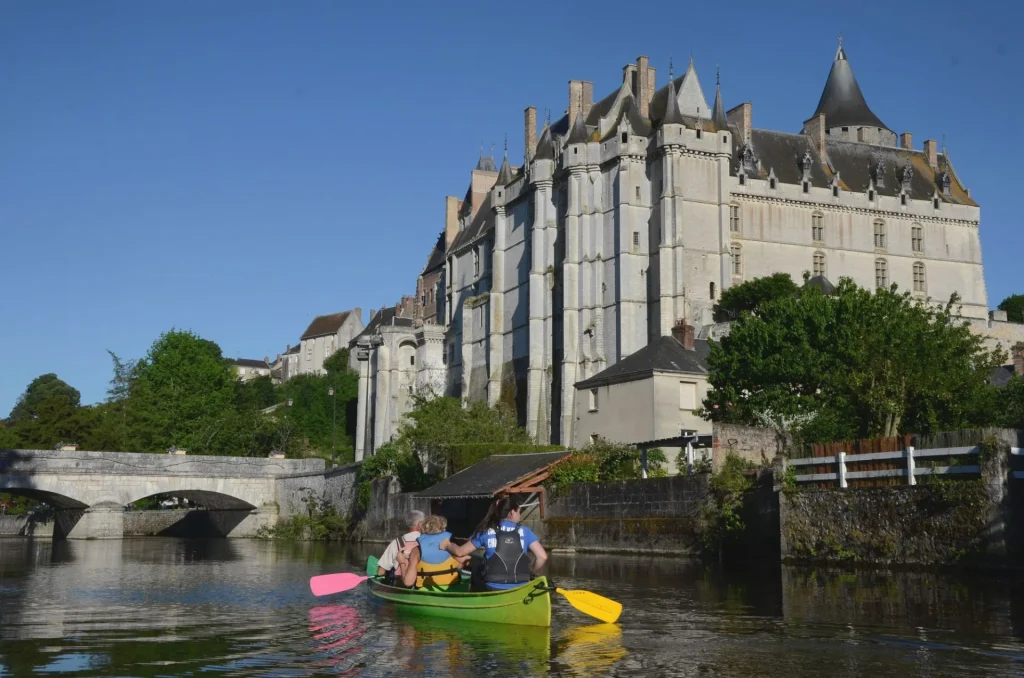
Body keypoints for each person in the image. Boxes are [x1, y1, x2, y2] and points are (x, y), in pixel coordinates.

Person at [447, 495, 547, 590]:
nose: (519, 516)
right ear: (512, 513)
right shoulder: (525, 531)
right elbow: (542, 557)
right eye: (519, 512)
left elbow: (459, 552)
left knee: (476, 566)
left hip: (493, 587)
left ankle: (475, 597)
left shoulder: (486, 531)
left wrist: (447, 545)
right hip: (521, 586)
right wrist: (530, 573)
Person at [399, 514, 469, 589]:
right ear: (443, 528)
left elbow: (408, 582)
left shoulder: (416, 550)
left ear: (423, 528)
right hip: (451, 592)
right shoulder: (451, 546)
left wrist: (401, 562)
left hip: (426, 594)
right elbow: (466, 562)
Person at [377, 510, 424, 582]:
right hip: (422, 582)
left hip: (401, 584)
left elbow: (381, 572)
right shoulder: (427, 543)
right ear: (420, 524)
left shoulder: (397, 542)